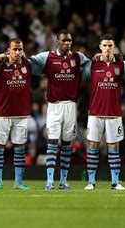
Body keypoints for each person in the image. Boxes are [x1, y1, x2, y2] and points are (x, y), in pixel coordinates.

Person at [29, 29, 90, 190]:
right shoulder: (48, 56)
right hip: (54, 106)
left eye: (70, 40)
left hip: (71, 105)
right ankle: (49, 180)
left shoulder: (78, 57)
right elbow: (31, 61)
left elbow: (90, 64)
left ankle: (63, 180)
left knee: (67, 144)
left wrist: (96, 58)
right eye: (64, 40)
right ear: (58, 41)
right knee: (52, 142)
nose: (67, 43)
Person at [82, 34, 125, 190]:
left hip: (114, 112)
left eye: (110, 45)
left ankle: (115, 182)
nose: (108, 48)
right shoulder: (93, 64)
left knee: (114, 147)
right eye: (105, 45)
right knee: (93, 145)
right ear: (100, 47)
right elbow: (82, 76)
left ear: (114, 46)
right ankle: (91, 182)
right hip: (95, 112)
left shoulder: (121, 65)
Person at [0, 38, 32, 190]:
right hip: (2, 114)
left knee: (19, 148)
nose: (17, 52)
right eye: (14, 49)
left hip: (21, 114)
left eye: (19, 49)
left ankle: (18, 182)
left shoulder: (28, 65)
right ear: (9, 50)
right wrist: (2, 56)